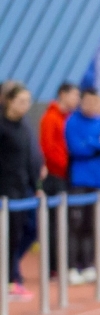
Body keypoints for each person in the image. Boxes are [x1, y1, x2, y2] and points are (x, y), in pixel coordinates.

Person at [63, 86, 100, 284]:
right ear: (82, 102)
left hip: (98, 182)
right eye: (89, 102)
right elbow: (77, 149)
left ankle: (89, 265)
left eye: (97, 102)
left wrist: (90, 143)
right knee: (75, 225)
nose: (93, 106)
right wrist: (97, 143)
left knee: (93, 226)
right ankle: (72, 266)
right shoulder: (73, 122)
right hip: (79, 182)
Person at [1, 81, 43, 299]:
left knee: (23, 233)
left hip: (22, 190)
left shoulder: (24, 126)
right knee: (6, 237)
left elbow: (29, 158)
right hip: (5, 192)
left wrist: (35, 184)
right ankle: (9, 281)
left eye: (28, 101)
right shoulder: (2, 126)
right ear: (9, 101)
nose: (26, 105)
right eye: (21, 101)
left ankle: (10, 276)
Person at [38, 82, 78, 198]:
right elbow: (47, 147)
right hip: (55, 174)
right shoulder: (50, 117)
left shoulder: (70, 118)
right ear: (63, 94)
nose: (77, 99)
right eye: (74, 95)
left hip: (67, 173)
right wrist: (61, 165)